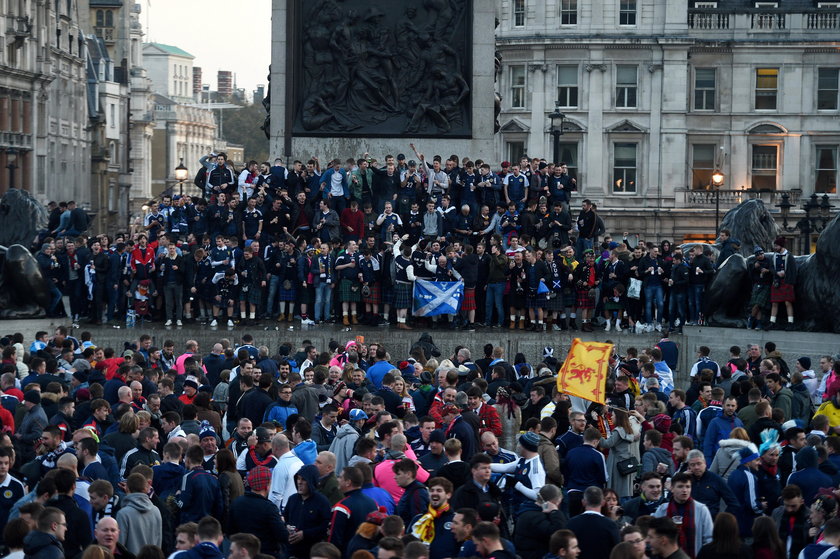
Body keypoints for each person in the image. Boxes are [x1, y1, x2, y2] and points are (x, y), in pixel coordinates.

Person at [228, 466, 288, 558]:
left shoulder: (237, 503)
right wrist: (283, 523)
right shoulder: (269, 507)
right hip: (266, 555)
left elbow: (230, 532)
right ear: (267, 486)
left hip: (242, 554)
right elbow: (282, 535)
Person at [653, 473, 713, 559]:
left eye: (688, 487)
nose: (685, 490)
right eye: (680, 486)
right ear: (672, 488)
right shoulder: (662, 510)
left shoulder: (701, 510)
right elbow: (655, 535)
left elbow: (709, 539)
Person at [283, 464, 331, 559]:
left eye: (303, 479)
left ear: (311, 481)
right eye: (298, 479)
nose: (299, 482)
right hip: (291, 550)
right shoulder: (292, 499)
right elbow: (285, 518)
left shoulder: (322, 501)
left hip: (311, 551)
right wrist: (286, 527)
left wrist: (305, 534)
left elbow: (325, 527)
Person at [328, 466, 378, 554]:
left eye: (340, 477)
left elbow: (335, 539)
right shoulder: (373, 503)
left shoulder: (342, 507)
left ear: (348, 482)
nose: (337, 480)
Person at [514, 484, 568, 559]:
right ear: (552, 503)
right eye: (558, 503)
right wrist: (555, 511)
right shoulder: (535, 517)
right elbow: (559, 532)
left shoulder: (528, 511)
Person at [565, 487, 620, 559]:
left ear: (583, 502)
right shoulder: (610, 525)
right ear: (603, 503)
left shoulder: (571, 523)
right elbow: (617, 550)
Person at [115, 472, 162, 555]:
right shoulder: (156, 511)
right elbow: (158, 542)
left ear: (127, 489)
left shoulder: (123, 514)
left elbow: (120, 547)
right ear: (146, 489)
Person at [770, 485, 810, 559]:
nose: (789, 509)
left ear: (802, 501)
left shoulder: (809, 517)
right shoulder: (777, 513)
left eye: (793, 506)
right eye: (786, 505)